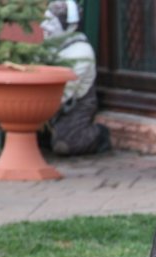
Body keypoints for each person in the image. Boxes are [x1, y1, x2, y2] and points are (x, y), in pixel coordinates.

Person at [40, 0, 110, 155]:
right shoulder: (48, 46)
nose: (44, 27)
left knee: (65, 145)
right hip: (50, 104)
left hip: (76, 105)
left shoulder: (80, 52)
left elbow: (62, 95)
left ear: (69, 26)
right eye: (44, 21)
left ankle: (99, 134)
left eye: (51, 22)